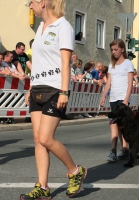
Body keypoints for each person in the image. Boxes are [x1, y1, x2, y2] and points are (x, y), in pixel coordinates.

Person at [21, 1, 87, 199]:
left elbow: (66, 63)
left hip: (55, 89)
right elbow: (39, 63)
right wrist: (31, 87)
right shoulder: (41, 27)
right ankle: (43, 186)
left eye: (31, 2)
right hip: (37, 89)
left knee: (46, 138)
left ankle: (75, 171)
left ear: (42, 2)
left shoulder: (63, 26)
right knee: (38, 140)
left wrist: (64, 91)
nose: (30, 6)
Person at [100, 38, 134, 162]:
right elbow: (109, 82)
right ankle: (120, 150)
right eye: (112, 50)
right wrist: (104, 96)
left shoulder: (128, 63)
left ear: (122, 49)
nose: (114, 52)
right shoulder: (111, 65)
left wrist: (126, 99)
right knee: (114, 123)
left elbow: (130, 83)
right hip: (113, 98)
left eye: (116, 49)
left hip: (122, 97)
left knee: (121, 125)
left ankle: (119, 150)